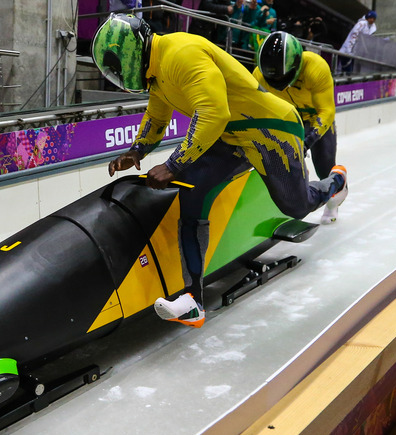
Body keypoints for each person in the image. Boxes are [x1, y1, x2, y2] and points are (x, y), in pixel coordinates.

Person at [91, 14, 347, 327]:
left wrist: (173, 164)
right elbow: (157, 117)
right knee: (192, 190)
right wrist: (137, 150)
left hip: (271, 130)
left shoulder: (181, 54)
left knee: (295, 206)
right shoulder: (156, 72)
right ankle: (193, 301)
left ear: (132, 51)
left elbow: (213, 112)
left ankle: (336, 182)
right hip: (231, 136)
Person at [254, 31, 345, 224]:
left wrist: (308, 140)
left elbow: (327, 111)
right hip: (288, 119)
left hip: (315, 119)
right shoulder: (258, 75)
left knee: (325, 166)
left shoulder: (316, 67)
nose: (281, 86)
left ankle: (332, 200)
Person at [339, 11, 377, 75]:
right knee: (347, 70)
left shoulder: (372, 27)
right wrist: (349, 50)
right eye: (371, 18)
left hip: (356, 52)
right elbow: (353, 36)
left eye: (374, 19)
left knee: (351, 72)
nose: (372, 20)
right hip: (348, 50)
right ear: (367, 18)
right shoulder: (361, 24)